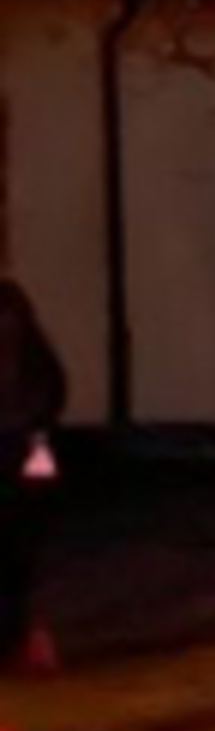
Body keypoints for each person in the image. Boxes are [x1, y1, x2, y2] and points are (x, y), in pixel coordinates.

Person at [0, 278, 69, 671]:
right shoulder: (14, 307)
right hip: (21, 440)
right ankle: (19, 637)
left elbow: (49, 382)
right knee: (17, 553)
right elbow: (51, 382)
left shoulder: (12, 306)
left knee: (16, 551)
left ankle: (19, 638)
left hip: (16, 442)